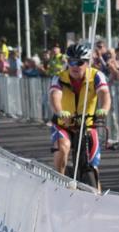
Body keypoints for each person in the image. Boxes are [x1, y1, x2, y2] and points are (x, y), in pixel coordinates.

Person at [48, 42, 111, 178]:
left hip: (86, 124)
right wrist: (59, 111)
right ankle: (60, 180)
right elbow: (54, 96)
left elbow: (104, 93)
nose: (75, 66)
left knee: (93, 165)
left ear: (88, 63)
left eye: (80, 62)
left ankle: (97, 194)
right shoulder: (59, 77)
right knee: (63, 147)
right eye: (71, 61)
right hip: (64, 124)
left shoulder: (96, 76)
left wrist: (104, 109)